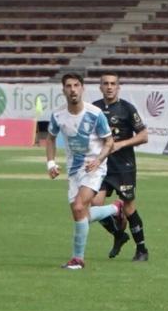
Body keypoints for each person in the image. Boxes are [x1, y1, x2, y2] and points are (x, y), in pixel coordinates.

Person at [44, 72, 126, 271]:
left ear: (82, 88)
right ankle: (115, 209)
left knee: (80, 207)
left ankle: (77, 259)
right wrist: (51, 163)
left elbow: (109, 141)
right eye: (68, 86)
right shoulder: (58, 115)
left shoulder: (95, 114)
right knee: (81, 214)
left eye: (76, 86)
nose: (72, 90)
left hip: (94, 167)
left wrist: (98, 161)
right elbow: (51, 138)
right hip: (73, 169)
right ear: (63, 90)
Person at [92, 73, 151, 261]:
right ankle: (118, 234)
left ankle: (142, 249)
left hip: (124, 166)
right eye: (105, 84)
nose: (109, 87)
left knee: (129, 207)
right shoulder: (94, 109)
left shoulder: (126, 108)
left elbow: (144, 136)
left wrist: (121, 144)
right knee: (94, 205)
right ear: (100, 87)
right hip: (101, 166)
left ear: (118, 87)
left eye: (113, 84)